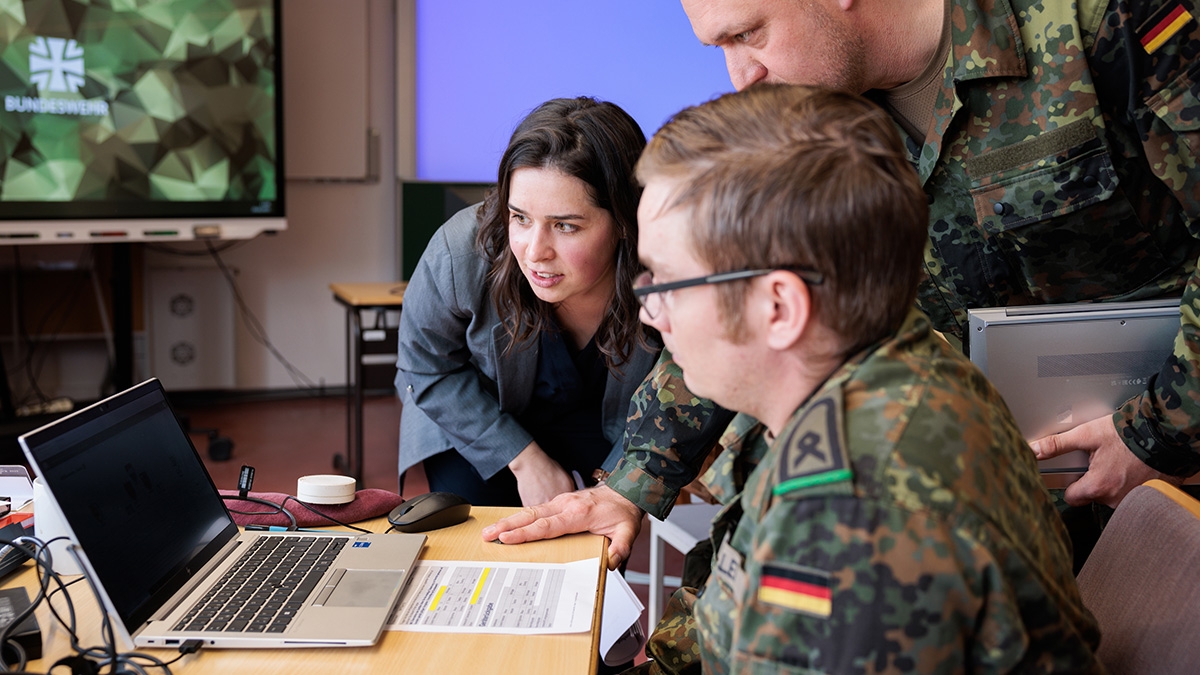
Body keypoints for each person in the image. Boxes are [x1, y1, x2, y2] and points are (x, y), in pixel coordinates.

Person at [545, 83, 1104, 672]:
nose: (648, 311)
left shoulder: (851, 520)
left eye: (665, 282)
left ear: (779, 308)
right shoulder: (886, 361)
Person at [396, 97, 728, 508]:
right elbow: (426, 365)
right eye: (519, 218)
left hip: (614, 427)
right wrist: (522, 458)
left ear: (625, 220)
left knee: (588, 548)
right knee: (477, 536)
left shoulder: (669, 267)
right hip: (476, 415)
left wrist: (621, 487)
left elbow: (690, 384)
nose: (535, 251)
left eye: (566, 226)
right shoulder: (460, 250)